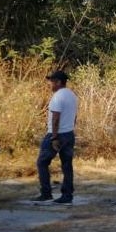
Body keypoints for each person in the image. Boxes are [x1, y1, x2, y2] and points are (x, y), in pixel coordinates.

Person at [32, 70, 78, 205]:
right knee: (67, 165)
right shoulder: (72, 95)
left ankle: (46, 193)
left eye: (52, 81)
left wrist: (54, 137)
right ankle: (67, 195)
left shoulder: (57, 97)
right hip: (69, 133)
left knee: (42, 162)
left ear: (58, 82)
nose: (50, 84)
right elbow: (74, 116)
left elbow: (55, 118)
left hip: (57, 134)